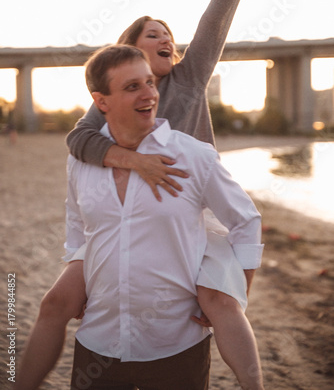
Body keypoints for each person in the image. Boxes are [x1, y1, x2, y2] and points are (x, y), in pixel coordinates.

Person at [15, 0, 269, 390]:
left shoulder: (190, 78)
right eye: (154, 34)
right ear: (131, 49)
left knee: (217, 300)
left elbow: (215, 22)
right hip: (129, 211)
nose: (166, 38)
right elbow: (79, 142)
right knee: (55, 303)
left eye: (168, 32)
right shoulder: (111, 103)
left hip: (196, 212)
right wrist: (136, 162)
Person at [70, 44, 264, 389]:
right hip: (97, 344)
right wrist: (79, 276)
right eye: (133, 87)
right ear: (101, 102)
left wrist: (239, 288)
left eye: (150, 83)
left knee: (221, 303)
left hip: (177, 345)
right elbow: (76, 228)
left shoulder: (193, 156)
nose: (149, 94)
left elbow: (246, 220)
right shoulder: (82, 160)